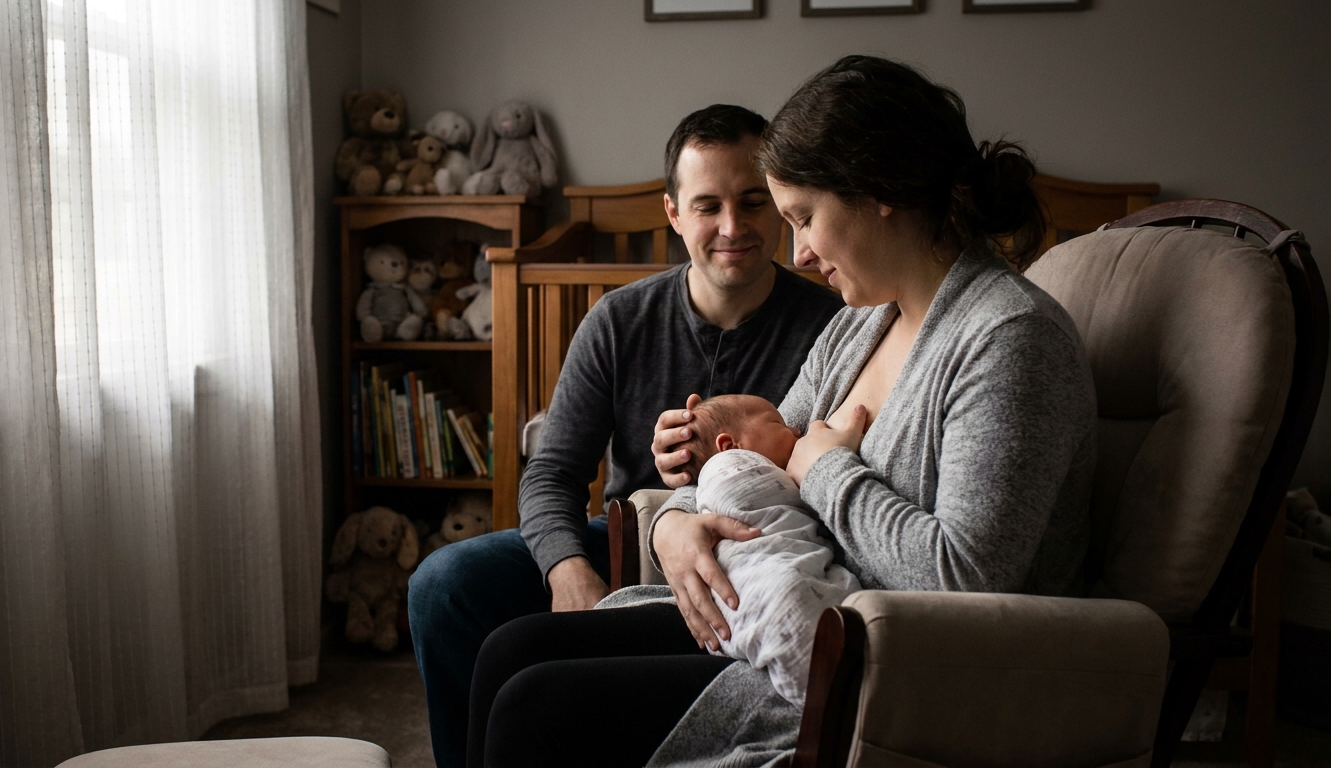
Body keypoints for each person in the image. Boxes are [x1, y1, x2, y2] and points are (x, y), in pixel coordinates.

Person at [468, 54, 1098, 768]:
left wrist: (824, 465)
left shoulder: (1008, 340)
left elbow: (963, 579)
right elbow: (757, 458)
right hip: (797, 608)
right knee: (509, 651)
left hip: (885, 663)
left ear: (879, 190)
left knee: (537, 709)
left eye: (802, 217)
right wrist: (675, 523)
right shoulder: (862, 324)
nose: (795, 251)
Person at [407, 104, 845, 768]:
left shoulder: (830, 326)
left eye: (754, 202)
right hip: (627, 548)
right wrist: (567, 570)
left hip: (762, 559)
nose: (733, 227)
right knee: (443, 584)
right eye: (708, 207)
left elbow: (830, 469)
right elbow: (553, 472)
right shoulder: (618, 321)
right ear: (673, 214)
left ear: (782, 204)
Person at [666, 393, 862, 707]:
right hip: (750, 590)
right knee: (787, 597)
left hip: (738, 616)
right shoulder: (735, 471)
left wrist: (826, 468)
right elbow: (738, 494)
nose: (797, 431)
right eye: (779, 423)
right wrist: (669, 524)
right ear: (730, 447)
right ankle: (826, 700)